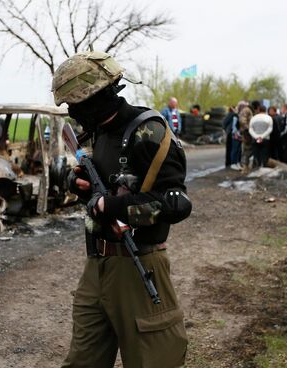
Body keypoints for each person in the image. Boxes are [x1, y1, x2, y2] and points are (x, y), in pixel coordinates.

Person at [52, 50, 191, 368]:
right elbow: (102, 186)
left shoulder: (149, 131)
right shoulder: (99, 130)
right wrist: (81, 187)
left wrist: (112, 205)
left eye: (76, 103)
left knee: (152, 362)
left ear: (98, 97)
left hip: (139, 264)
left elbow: (176, 204)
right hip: (96, 266)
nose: (73, 111)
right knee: (82, 362)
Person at [249, 104, 274, 169]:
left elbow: (250, 129)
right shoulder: (269, 118)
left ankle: (257, 167)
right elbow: (270, 129)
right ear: (265, 110)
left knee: (256, 155)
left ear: (258, 110)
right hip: (265, 139)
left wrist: (256, 136)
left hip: (255, 139)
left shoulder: (253, 118)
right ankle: (263, 167)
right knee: (265, 155)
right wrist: (262, 136)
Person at [238, 100, 255, 174]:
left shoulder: (247, 110)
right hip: (246, 132)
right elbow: (242, 120)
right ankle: (244, 167)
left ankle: (245, 166)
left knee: (248, 149)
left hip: (247, 132)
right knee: (247, 149)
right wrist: (248, 128)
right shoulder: (246, 110)